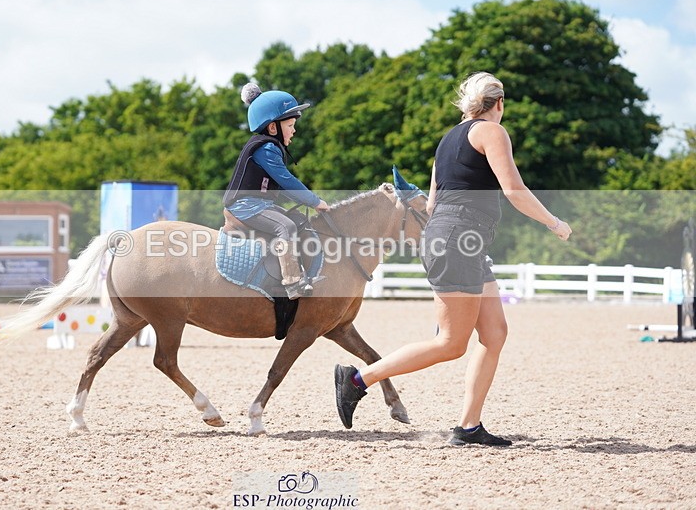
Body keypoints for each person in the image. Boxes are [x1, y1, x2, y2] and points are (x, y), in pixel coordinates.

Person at [334, 71, 572, 446]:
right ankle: (357, 381)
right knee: (451, 344)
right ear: (499, 103)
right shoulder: (492, 131)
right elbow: (514, 189)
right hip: (460, 239)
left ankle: (469, 427)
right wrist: (554, 223)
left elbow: (432, 204)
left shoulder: (447, 141)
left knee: (494, 334)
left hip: (461, 240)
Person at [223, 83, 330, 299]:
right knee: (287, 227)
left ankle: (307, 272)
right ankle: (293, 283)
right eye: (290, 125)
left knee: (300, 220)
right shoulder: (267, 148)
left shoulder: (270, 147)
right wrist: (315, 202)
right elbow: (287, 181)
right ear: (273, 128)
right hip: (245, 207)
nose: (294, 130)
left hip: (260, 205)